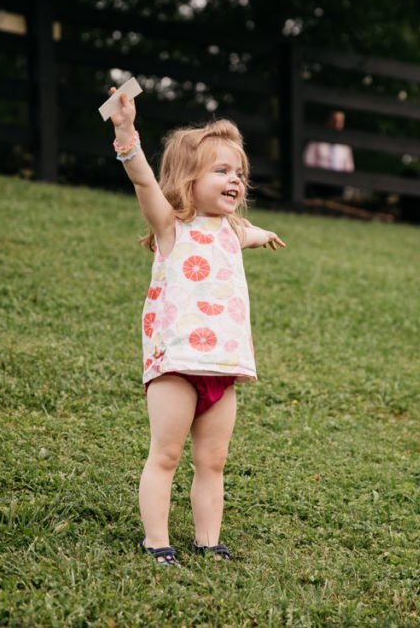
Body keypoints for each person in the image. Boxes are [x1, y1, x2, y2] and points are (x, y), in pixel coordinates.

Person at [107, 86, 286, 567]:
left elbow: (248, 233)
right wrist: (126, 132)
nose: (236, 181)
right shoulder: (171, 227)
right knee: (165, 456)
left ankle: (209, 541)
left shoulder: (231, 230)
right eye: (222, 171)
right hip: (176, 363)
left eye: (240, 173)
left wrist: (265, 234)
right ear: (189, 177)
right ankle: (157, 543)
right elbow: (144, 181)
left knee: (213, 462)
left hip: (222, 366)